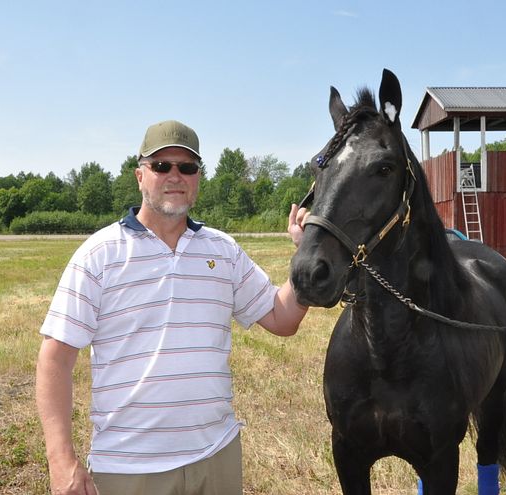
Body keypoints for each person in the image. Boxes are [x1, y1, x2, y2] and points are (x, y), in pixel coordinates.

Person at [35, 119, 310, 495]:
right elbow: (55, 359)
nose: (175, 176)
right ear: (140, 175)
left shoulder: (223, 250)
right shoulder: (99, 255)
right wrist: (60, 459)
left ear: (198, 177)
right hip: (129, 468)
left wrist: (308, 255)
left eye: (187, 167)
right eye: (161, 166)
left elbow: (282, 318)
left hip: (217, 458)